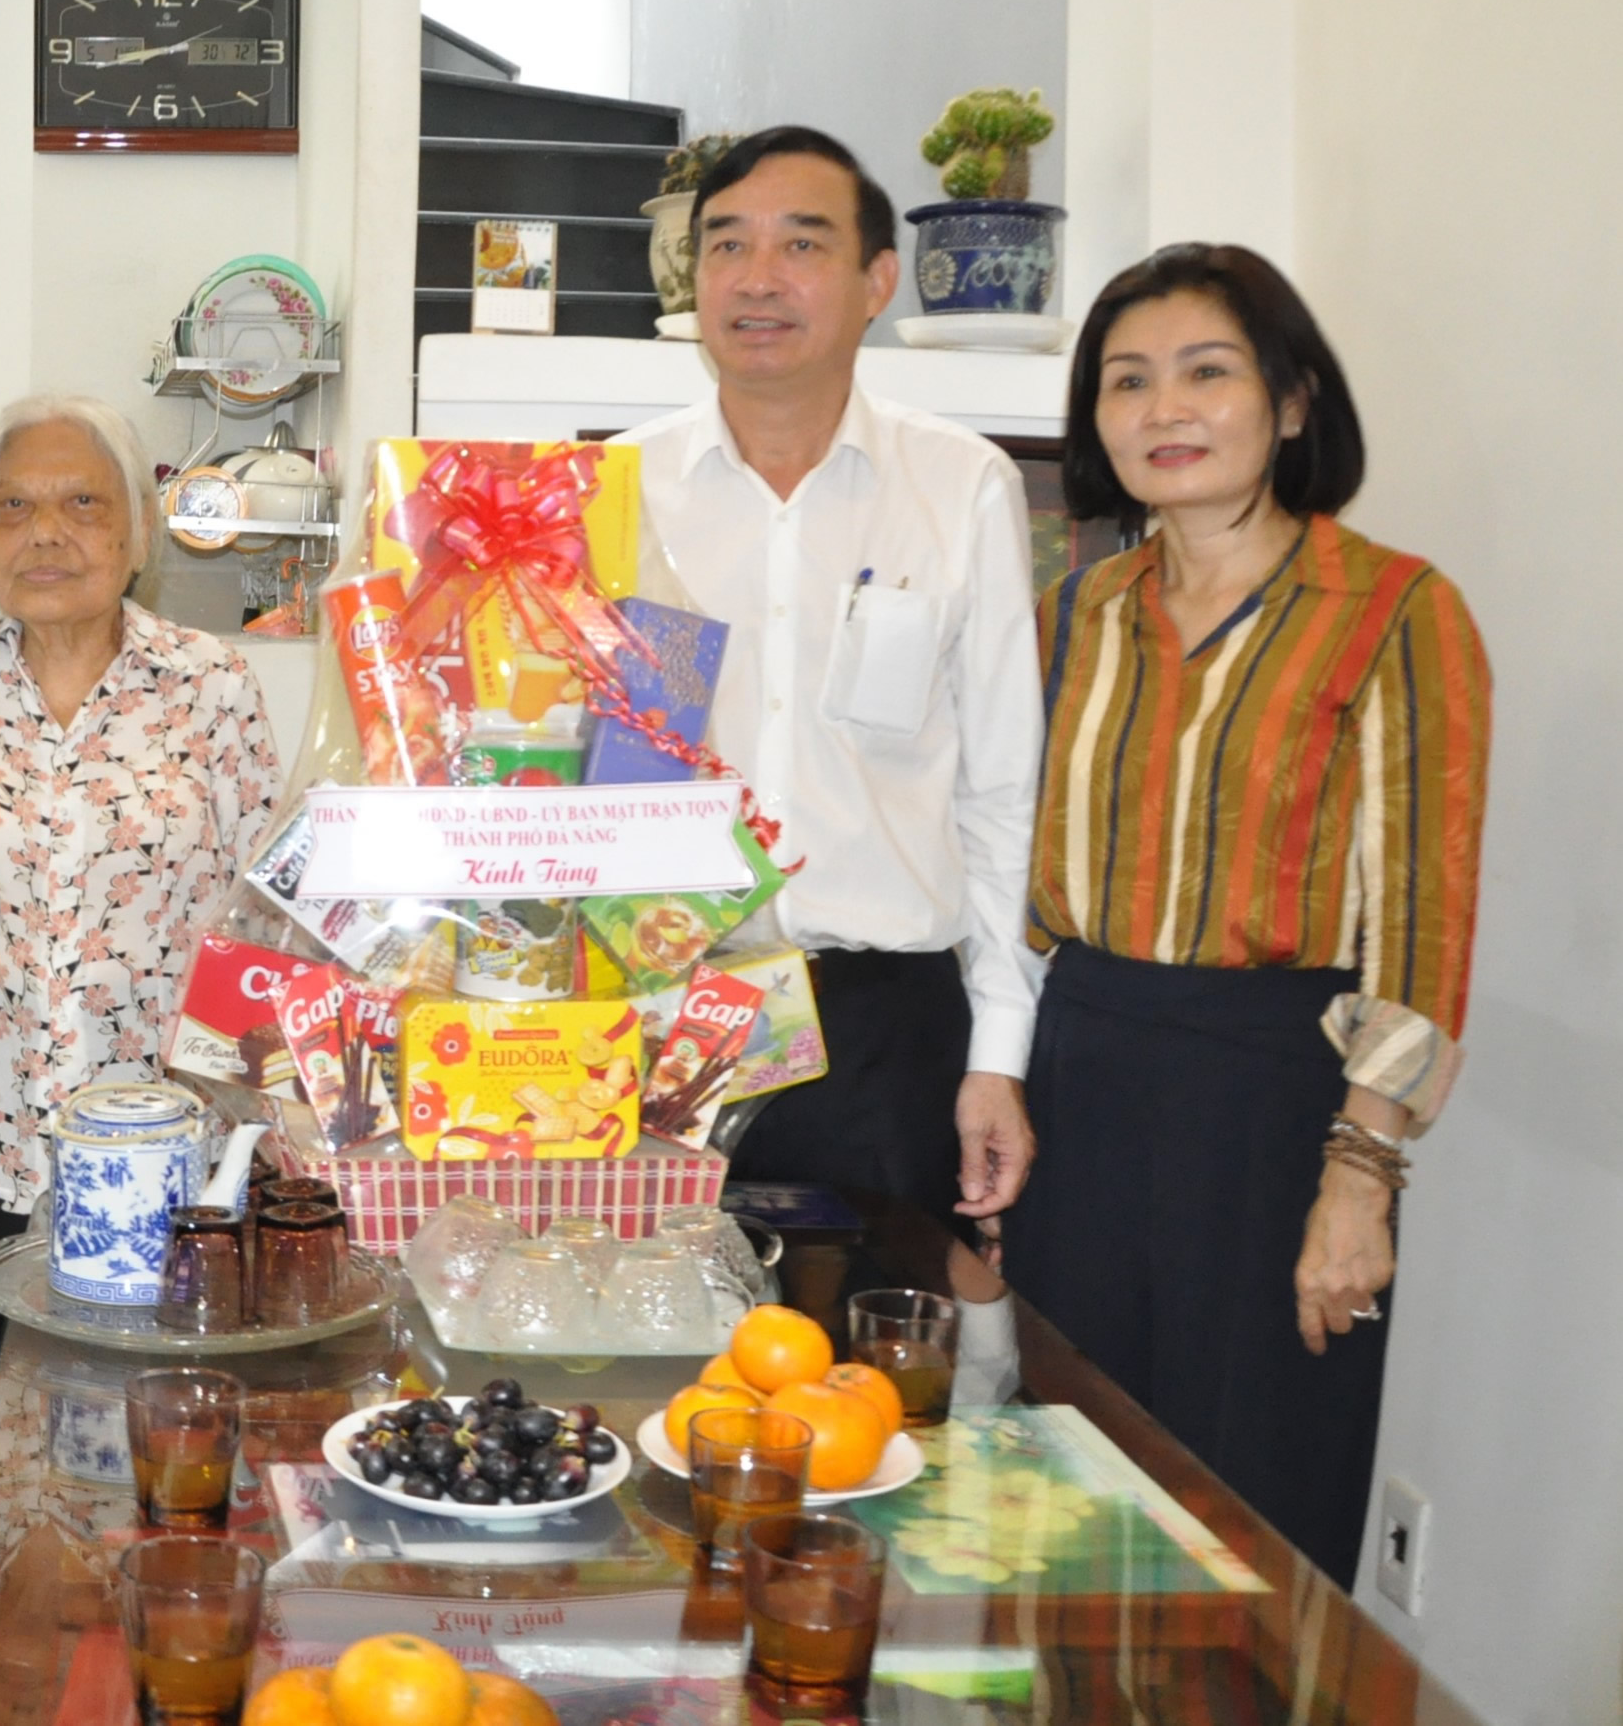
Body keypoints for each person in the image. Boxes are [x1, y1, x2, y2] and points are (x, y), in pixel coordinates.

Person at [1004, 243, 1490, 1582]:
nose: (1163, 407)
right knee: (1059, 1486)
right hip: (1082, 1072)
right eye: (1126, 380)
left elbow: (1419, 917)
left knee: (1246, 1509)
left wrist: (1361, 1172)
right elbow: (1020, 872)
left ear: (1287, 401)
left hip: (1276, 1103)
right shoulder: (1076, 613)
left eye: (1205, 372)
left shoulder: (1393, 609)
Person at [0, 394, 281, 1679]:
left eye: (81, 503)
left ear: (133, 539)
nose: (45, 532)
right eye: (15, 504)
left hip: (166, 1186)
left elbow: (258, 928)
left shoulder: (212, 686)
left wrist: (250, 1145)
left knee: (160, 1506)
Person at [623, 125, 1043, 1227]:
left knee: (882, 1384)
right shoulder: (612, 489)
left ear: (875, 282)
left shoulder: (961, 488)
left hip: (885, 1030)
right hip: (652, 1012)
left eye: (801, 245)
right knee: (636, 1368)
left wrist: (997, 1054)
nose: (757, 280)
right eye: (726, 246)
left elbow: (1002, 793)